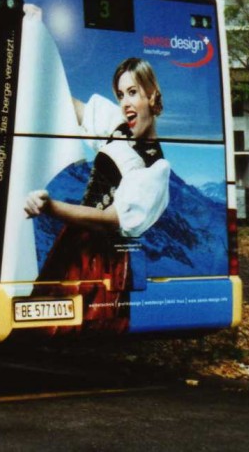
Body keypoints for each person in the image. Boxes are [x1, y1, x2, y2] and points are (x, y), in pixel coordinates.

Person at [23, 57, 171, 332]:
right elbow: (76, 109)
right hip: (73, 241)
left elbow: (109, 220)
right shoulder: (118, 127)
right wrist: (36, 70)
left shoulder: (155, 168)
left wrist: (51, 207)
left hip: (100, 260)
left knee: (79, 330)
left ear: (152, 95)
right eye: (120, 95)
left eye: (133, 92)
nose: (125, 102)